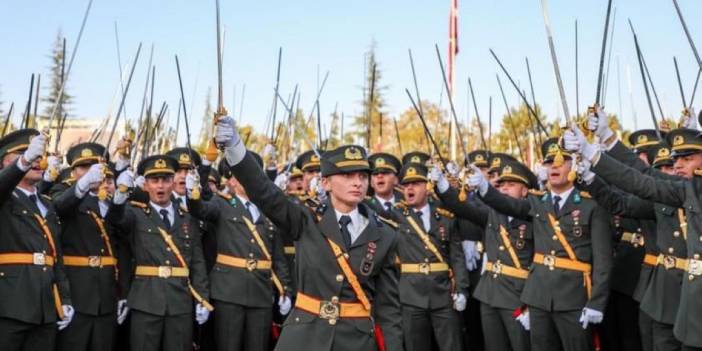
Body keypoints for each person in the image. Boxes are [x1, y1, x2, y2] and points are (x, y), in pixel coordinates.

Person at [214, 115, 403, 351]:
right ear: (325, 183)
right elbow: (264, 191)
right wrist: (234, 147)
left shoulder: (385, 234)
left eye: (363, 176)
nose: (357, 183)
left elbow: (389, 309)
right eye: (347, 175)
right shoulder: (305, 220)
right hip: (305, 335)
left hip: (356, 339)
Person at [565, 108, 702, 350]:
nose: (678, 165)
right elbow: (643, 178)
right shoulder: (690, 190)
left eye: (687, 158)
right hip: (680, 302)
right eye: (675, 160)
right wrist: (596, 149)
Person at [469, 137, 613, 351]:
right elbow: (506, 203)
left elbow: (603, 261)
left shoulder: (591, 205)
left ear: (575, 165)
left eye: (561, 161)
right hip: (538, 297)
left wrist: (596, 303)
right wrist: (484, 188)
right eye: (548, 163)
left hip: (573, 298)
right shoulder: (537, 202)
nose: (553, 165)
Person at [187, 152, 293, 351]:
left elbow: (277, 255)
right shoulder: (222, 204)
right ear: (233, 180)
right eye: (243, 175)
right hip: (229, 291)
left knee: (258, 345)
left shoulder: (269, 210)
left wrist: (285, 289)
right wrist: (198, 177)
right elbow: (198, 208)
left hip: (261, 291)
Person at [106, 154, 211, 351]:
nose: (160, 186)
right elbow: (115, 219)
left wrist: (202, 298)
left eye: (166, 180)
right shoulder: (134, 213)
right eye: (154, 180)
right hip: (146, 302)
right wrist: (120, 196)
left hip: (180, 302)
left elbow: (197, 261)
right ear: (145, 185)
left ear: (173, 183)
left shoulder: (187, 217)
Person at [433, 159, 537, 351]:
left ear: (525, 191)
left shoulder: (534, 215)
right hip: (490, 293)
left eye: (511, 185)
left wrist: (532, 302)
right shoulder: (492, 214)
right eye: (501, 184)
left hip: (519, 295)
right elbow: (461, 205)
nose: (504, 189)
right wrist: (442, 185)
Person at [0, 129, 74, 350]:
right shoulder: (6, 198)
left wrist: (65, 298)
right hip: (9, 305)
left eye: (37, 154)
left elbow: (55, 257)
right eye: (22, 153)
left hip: (45, 307)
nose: (36, 159)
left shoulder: (46, 203)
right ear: (4, 163)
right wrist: (23, 162)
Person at [51, 142, 125, 351]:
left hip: (107, 294)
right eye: (83, 168)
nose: (90, 172)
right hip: (76, 293)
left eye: (95, 166)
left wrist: (124, 292)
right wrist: (82, 186)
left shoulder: (112, 202)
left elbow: (125, 247)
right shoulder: (64, 193)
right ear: (73, 172)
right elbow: (59, 207)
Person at [391, 162, 469, 351]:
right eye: (406, 184)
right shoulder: (395, 215)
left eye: (416, 183)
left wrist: (462, 290)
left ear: (427, 186)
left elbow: (456, 257)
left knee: (451, 345)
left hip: (443, 294)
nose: (409, 187)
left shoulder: (445, 217)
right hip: (411, 295)